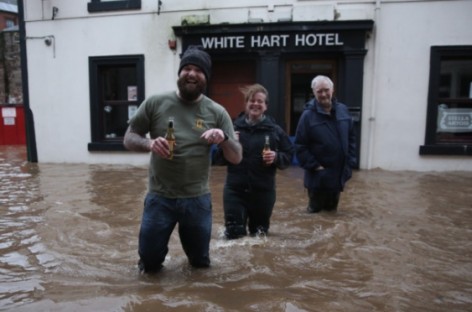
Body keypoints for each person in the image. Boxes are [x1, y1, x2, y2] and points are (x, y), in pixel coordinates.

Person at [123, 45, 242, 273]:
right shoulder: (156, 103)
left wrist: (223, 138)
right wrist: (149, 143)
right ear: (179, 74)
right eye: (186, 68)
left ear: (205, 78)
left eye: (199, 70)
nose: (192, 73)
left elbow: (236, 157)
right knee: (149, 264)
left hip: (197, 200)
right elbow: (129, 138)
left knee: (199, 264)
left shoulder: (217, 112)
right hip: (159, 198)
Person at [213, 84, 294, 239]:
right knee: (233, 235)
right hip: (234, 191)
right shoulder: (232, 127)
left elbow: (289, 156)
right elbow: (216, 160)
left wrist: (276, 157)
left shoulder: (275, 130)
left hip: (263, 192)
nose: (255, 104)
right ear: (246, 103)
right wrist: (228, 144)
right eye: (252, 100)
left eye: (260, 101)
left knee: (259, 237)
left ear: (266, 106)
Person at [294, 75, 356, 213]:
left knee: (331, 215)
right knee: (315, 217)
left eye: (326, 90)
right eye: (319, 91)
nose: (323, 94)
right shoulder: (307, 116)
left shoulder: (343, 110)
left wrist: (350, 163)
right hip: (318, 178)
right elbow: (300, 146)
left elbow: (351, 137)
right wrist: (316, 166)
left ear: (332, 90)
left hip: (338, 176)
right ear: (314, 93)